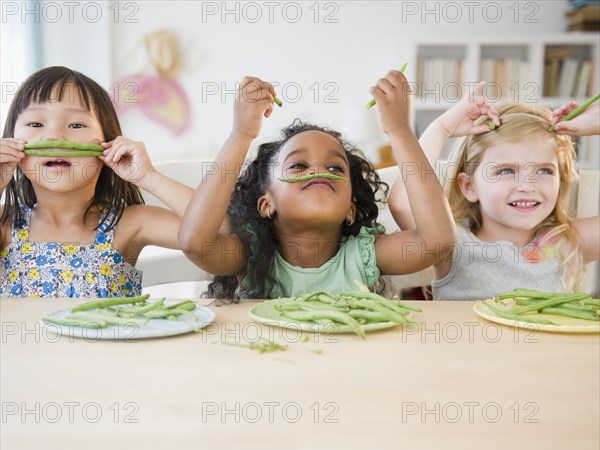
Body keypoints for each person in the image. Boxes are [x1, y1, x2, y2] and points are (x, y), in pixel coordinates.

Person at [179, 74, 455, 299]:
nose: (319, 172)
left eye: (335, 168)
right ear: (266, 205)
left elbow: (437, 241)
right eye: (298, 166)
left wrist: (400, 131)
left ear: (350, 209)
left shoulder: (362, 254)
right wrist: (241, 134)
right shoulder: (251, 255)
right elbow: (195, 243)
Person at [0, 66, 193, 298]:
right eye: (36, 124)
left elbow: (221, 229)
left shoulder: (131, 223)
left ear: (108, 144)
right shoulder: (5, 225)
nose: (55, 137)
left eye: (76, 125)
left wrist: (148, 177)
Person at [398, 82, 599, 300]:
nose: (527, 185)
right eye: (505, 171)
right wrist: (442, 128)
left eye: (544, 170)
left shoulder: (567, 243)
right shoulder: (452, 243)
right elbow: (403, 203)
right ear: (469, 186)